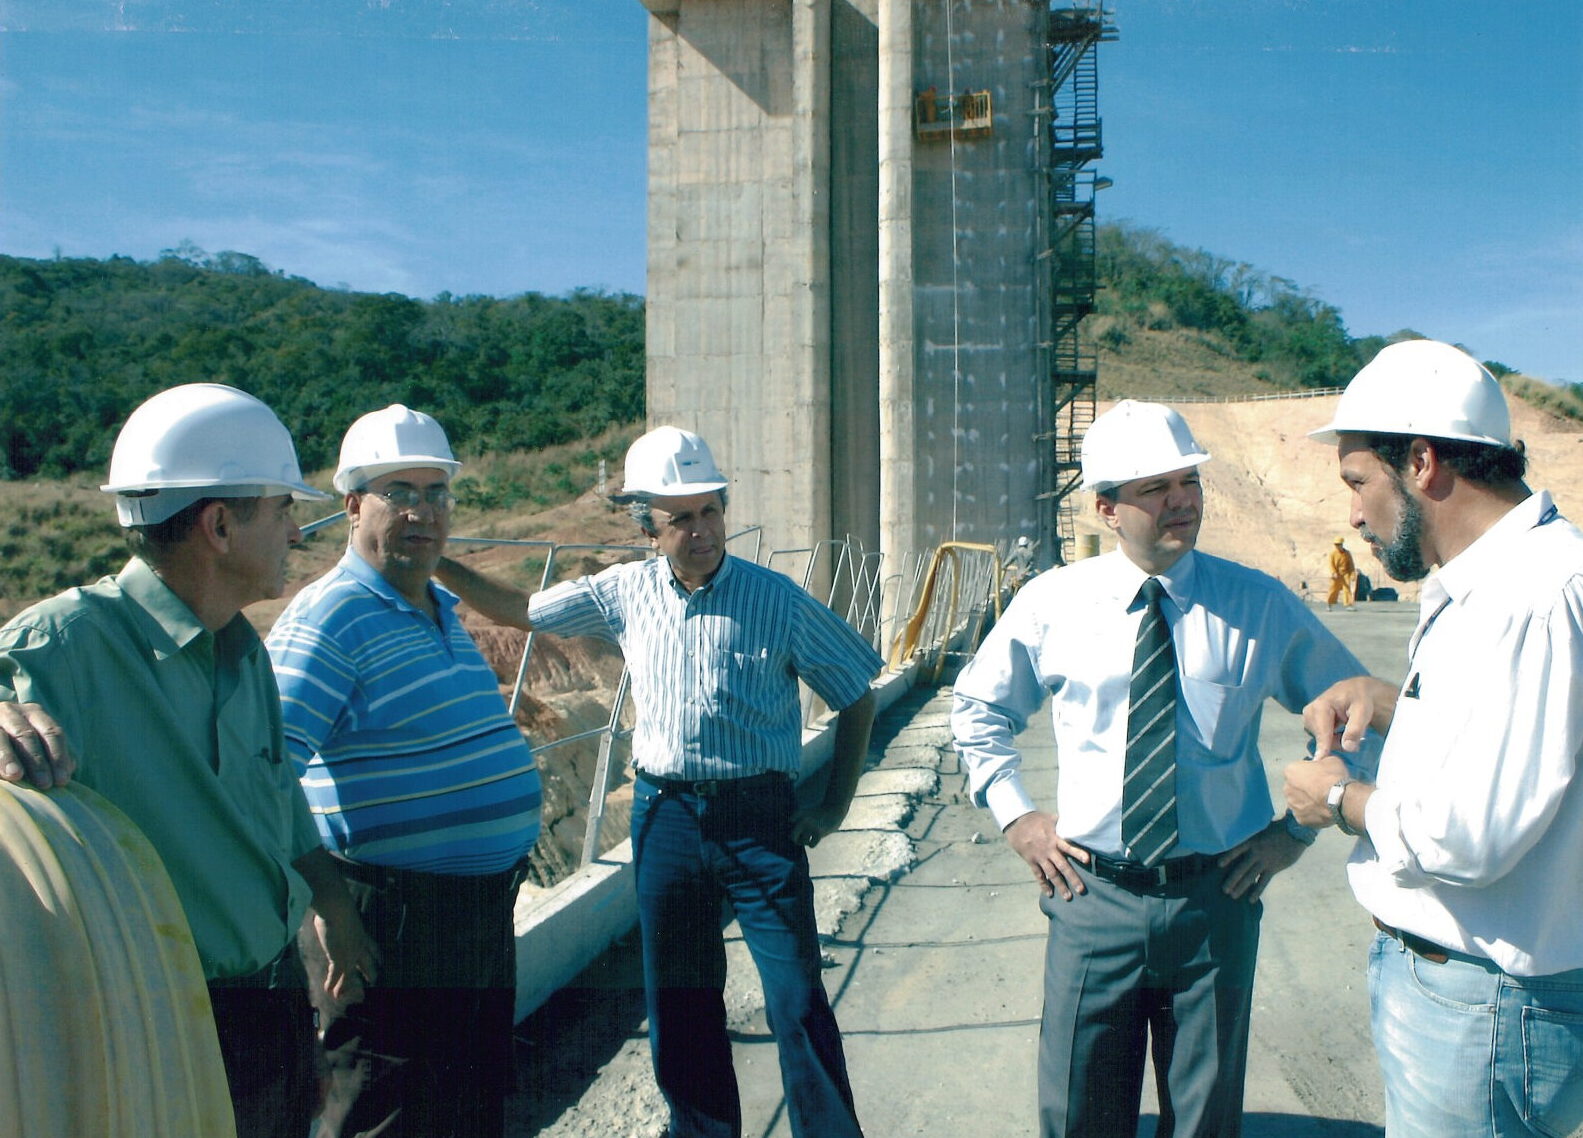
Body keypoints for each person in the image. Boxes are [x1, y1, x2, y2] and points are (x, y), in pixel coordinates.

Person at [434, 425, 881, 1138]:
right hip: (665, 817)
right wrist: (439, 560)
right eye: (681, 519)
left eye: (710, 512)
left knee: (795, 995)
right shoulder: (624, 593)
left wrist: (832, 807)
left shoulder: (776, 599)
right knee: (681, 999)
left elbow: (856, 692)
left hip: (758, 820)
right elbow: (521, 610)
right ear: (648, 528)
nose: (701, 531)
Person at [951, 399, 1377, 1138]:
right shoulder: (1053, 604)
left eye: (1189, 482)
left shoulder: (1256, 604)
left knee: (1204, 1119)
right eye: (1155, 488)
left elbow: (1357, 712)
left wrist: (1295, 833)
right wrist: (1016, 815)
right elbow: (977, 708)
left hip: (1216, 898)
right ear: (1106, 508)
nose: (1181, 501)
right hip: (1092, 896)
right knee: (1079, 1111)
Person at [0, 383, 378, 1138]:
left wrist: (333, 908)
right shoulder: (62, 646)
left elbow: (277, 803)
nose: (296, 531)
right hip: (159, 1026)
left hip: (275, 1004)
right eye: (282, 509)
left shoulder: (243, 651)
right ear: (220, 526)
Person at [1284, 339, 1583, 1138]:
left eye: (1357, 483)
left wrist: (1338, 799)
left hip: (1482, 1007)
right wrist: (1389, 703)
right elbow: (1508, 745)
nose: (1352, 514)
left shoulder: (1527, 597)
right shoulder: (1503, 581)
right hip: (1473, 998)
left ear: (1420, 462)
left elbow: (1469, 837)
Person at [266, 405, 543, 1138]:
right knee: (386, 1114)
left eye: (436, 492)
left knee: (470, 1109)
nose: (424, 511)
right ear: (353, 505)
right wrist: (332, 907)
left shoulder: (438, 604)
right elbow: (266, 777)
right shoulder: (329, 618)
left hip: (475, 915)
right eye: (400, 493)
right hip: (391, 924)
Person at [1326, 535, 1357, 610]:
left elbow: (1351, 565)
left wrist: (1352, 574)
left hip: (1345, 574)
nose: (1337, 546)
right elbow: (1331, 564)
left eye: (1338, 544)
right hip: (1336, 574)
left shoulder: (1347, 553)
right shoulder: (1332, 554)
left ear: (1342, 544)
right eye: (1336, 544)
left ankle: (1349, 605)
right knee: (1333, 589)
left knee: (1347, 589)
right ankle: (1329, 604)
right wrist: (1333, 572)